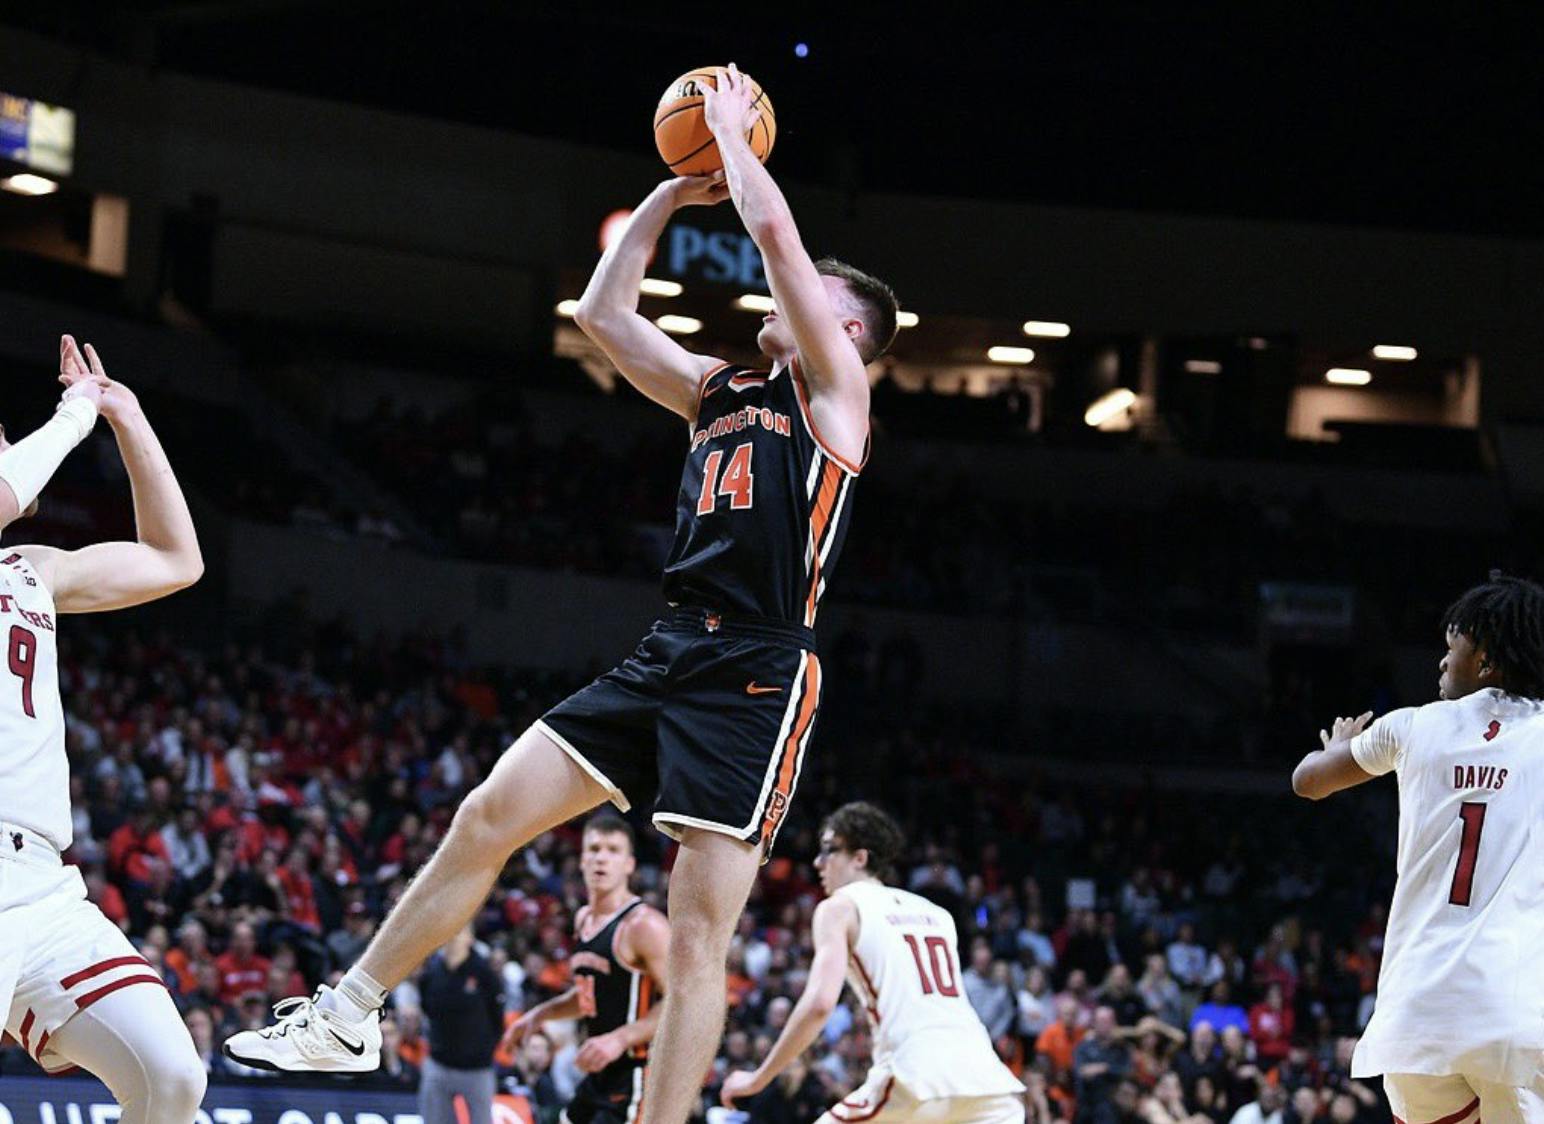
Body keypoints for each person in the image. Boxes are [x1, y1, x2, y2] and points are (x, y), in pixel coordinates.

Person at [225, 62, 899, 1124]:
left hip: (760, 667)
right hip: (670, 644)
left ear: (848, 329)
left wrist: (732, 140)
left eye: (818, 290)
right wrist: (675, 190)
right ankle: (350, 1009)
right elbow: (599, 310)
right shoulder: (717, 390)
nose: (791, 287)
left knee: (692, 931)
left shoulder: (837, 397)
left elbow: (774, 243)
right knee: (487, 810)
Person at [1, 336, 206, 1123]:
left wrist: (126, 416)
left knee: (172, 1079)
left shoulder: (33, 570)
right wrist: (73, 413)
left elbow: (173, 558)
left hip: (44, 886)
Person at [1291, 573, 1544, 1124]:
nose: (1440, 664)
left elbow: (1307, 782)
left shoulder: (1412, 727)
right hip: (1515, 1016)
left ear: (1486, 662)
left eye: (1452, 649)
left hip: (1419, 1016)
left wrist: (1335, 747)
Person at [719, 802, 1025, 1124]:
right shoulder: (937, 914)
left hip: (915, 1075)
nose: (817, 862)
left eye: (828, 850)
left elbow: (820, 1004)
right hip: (987, 1081)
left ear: (860, 858)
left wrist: (758, 1078)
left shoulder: (839, 908)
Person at [500, 814, 669, 1124]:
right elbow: (589, 996)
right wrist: (538, 1015)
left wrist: (619, 1039)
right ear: (581, 860)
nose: (601, 857)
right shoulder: (583, 919)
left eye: (613, 850)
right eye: (594, 848)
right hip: (600, 1072)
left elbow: (680, 1004)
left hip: (639, 1071)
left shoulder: (644, 925)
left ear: (630, 864)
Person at [418, 925, 505, 1124]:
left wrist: (486, 1049)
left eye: (460, 932)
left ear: (470, 939)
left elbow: (497, 1016)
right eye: (450, 932)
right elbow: (426, 1008)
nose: (454, 938)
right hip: (439, 1063)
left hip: (477, 1068)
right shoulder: (431, 973)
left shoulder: (484, 973)